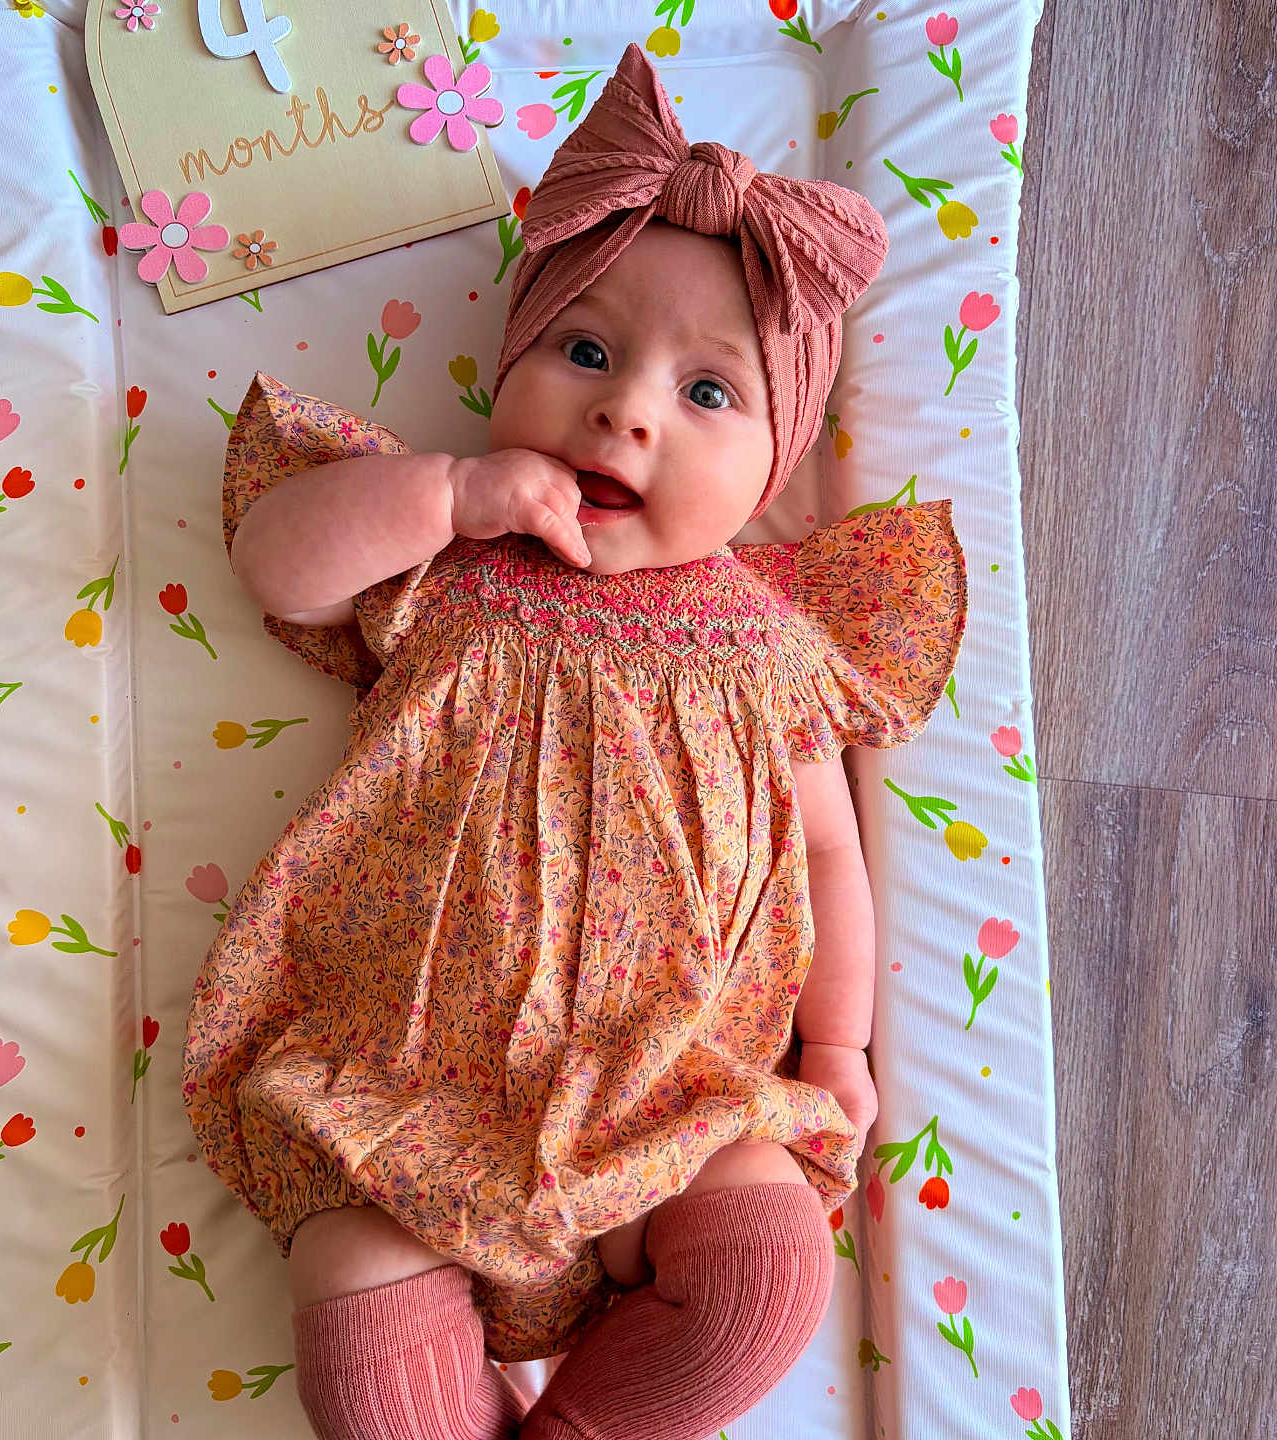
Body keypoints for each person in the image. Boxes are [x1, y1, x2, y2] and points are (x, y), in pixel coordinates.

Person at [181, 42, 967, 1440]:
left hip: (676, 1101)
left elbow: (830, 860)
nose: (628, 408)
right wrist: (445, 489)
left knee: (769, 1272)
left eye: (709, 393)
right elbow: (277, 567)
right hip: (398, 1091)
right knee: (363, 1328)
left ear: (777, 466)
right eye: (585, 351)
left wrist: (834, 1051)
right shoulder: (458, 559)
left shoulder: (768, 637)